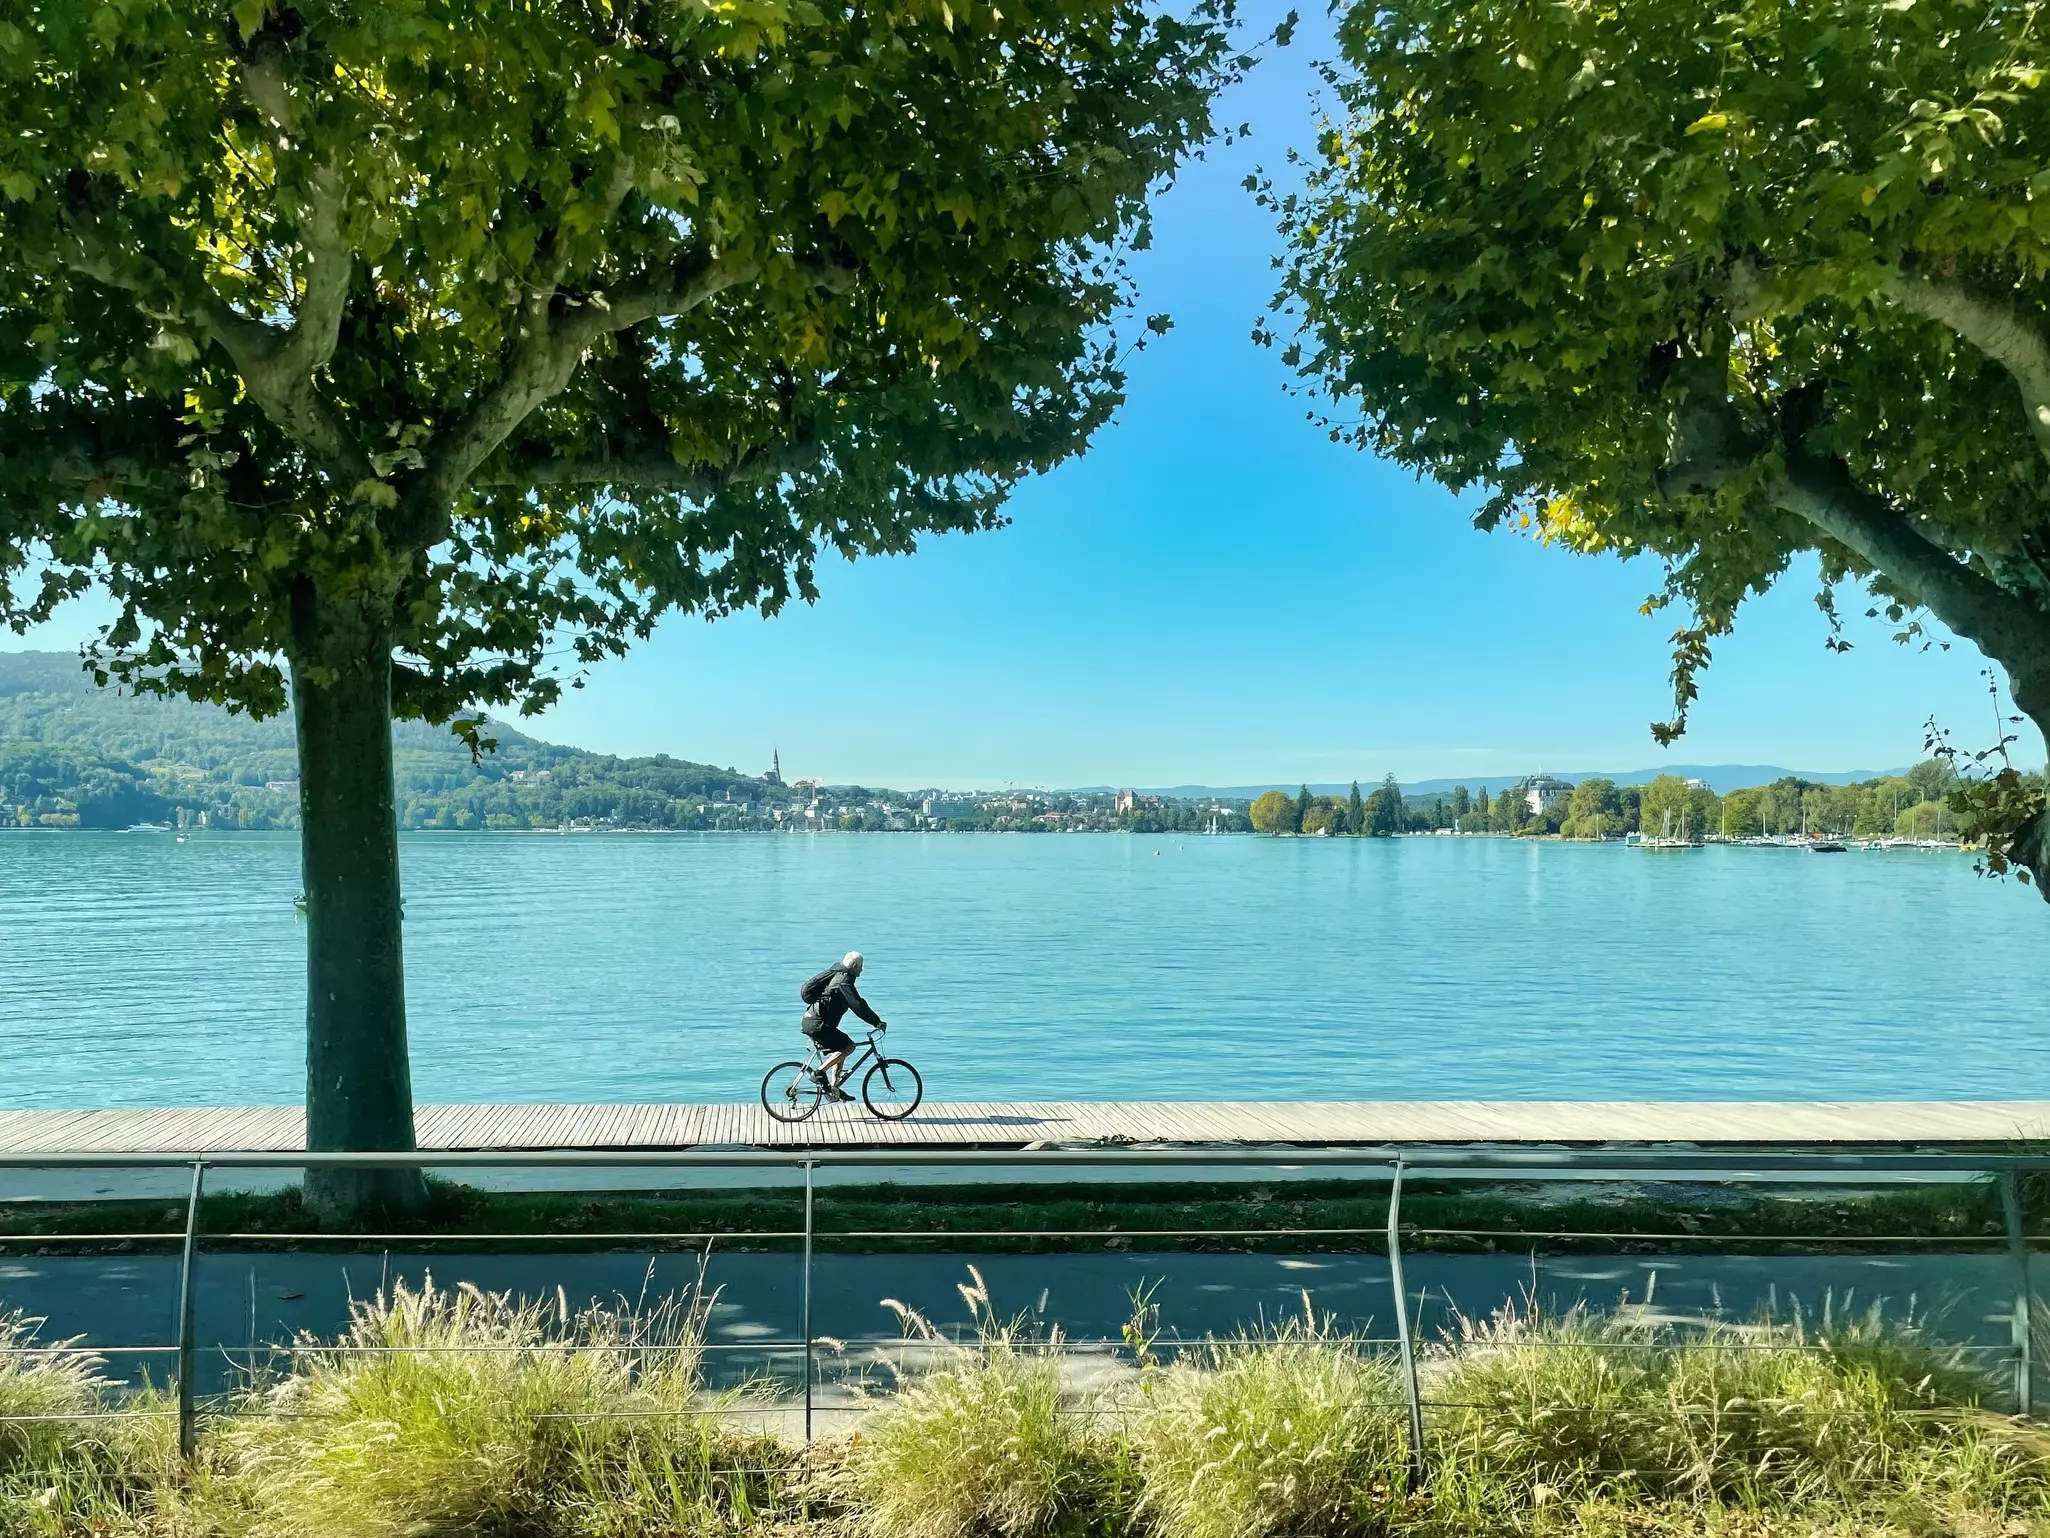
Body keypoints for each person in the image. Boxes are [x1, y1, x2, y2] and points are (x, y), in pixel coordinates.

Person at [800, 950, 886, 1101]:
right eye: (861, 966)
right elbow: (858, 1005)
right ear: (853, 966)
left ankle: (834, 1087)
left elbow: (859, 1002)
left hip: (812, 1021)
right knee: (849, 1047)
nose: (862, 969)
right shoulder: (844, 981)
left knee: (842, 1046)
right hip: (817, 1024)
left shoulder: (837, 975)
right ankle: (819, 1072)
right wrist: (876, 1021)